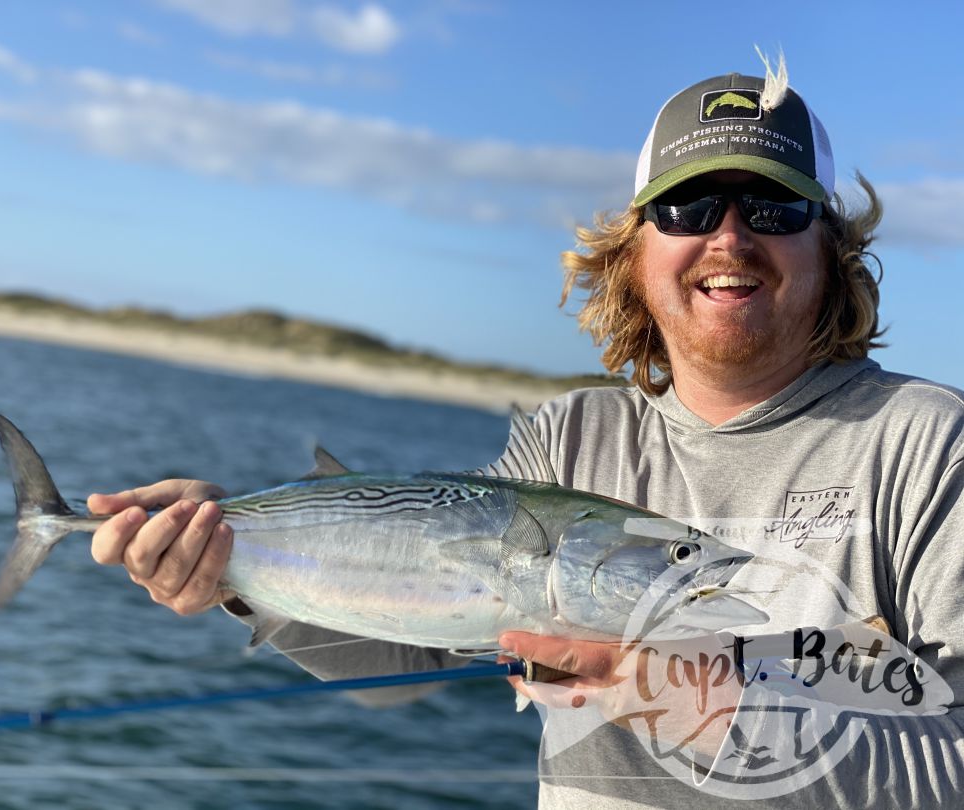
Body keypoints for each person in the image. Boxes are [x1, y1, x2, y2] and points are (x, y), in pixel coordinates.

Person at [86, 56, 964, 808]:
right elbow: (407, 655)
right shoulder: (570, 440)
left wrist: (702, 701)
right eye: (689, 208)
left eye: (773, 209)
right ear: (635, 250)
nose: (729, 237)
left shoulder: (928, 445)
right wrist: (232, 568)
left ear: (831, 247)